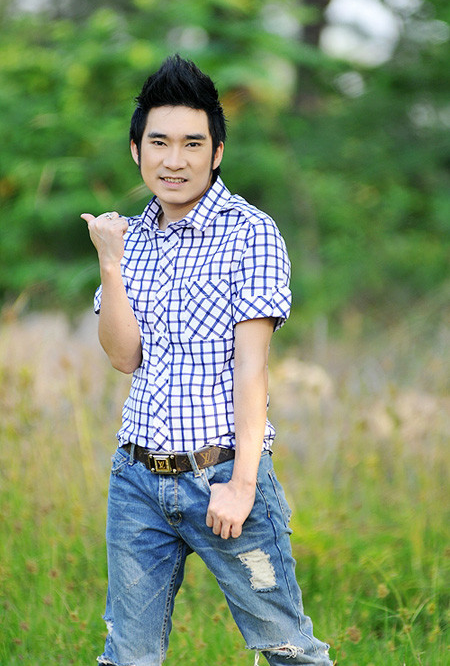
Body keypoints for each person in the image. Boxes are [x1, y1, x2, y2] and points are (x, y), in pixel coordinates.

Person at [81, 54, 332, 666]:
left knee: (287, 648)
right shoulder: (129, 239)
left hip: (221, 473)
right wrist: (110, 263)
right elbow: (124, 357)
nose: (175, 160)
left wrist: (241, 485)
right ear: (136, 150)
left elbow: (252, 369)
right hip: (137, 478)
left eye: (192, 144)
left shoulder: (250, 232)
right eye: (159, 143)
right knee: (128, 655)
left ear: (216, 152)